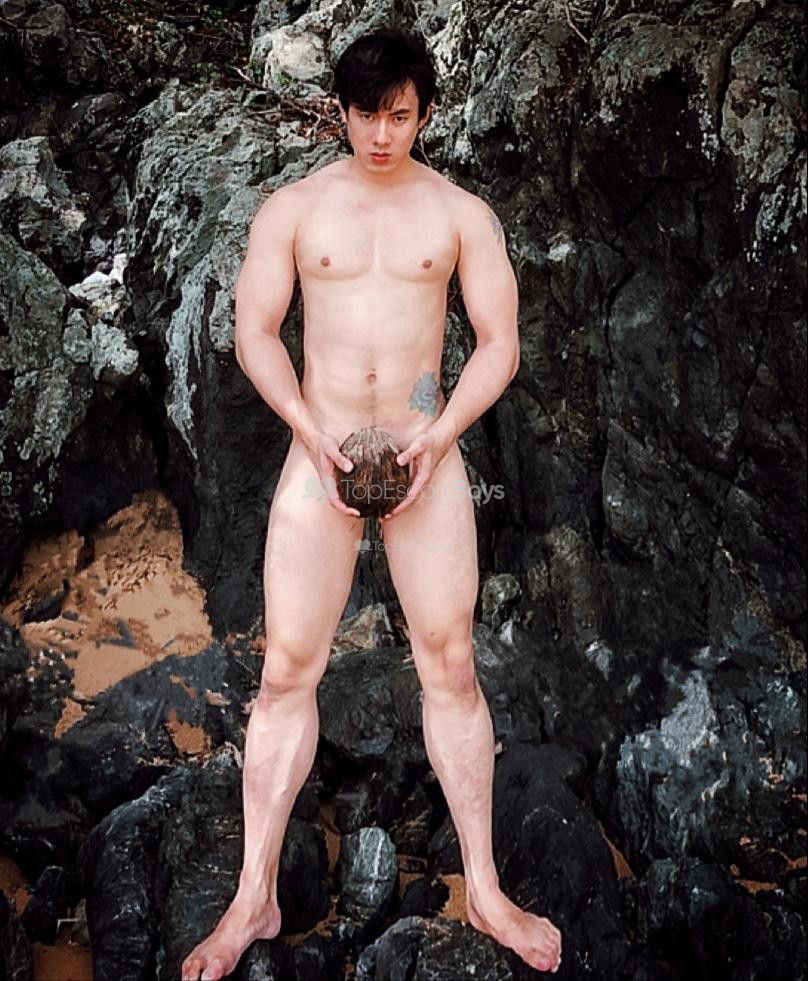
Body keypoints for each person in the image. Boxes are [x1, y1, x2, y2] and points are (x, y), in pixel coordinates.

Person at [181, 27, 562, 980]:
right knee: (285, 670)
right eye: (365, 115)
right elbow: (255, 331)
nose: (381, 135)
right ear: (340, 111)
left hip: (426, 457)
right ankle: (254, 895)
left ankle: (484, 887)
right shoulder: (295, 209)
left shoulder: (462, 215)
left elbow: (500, 344)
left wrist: (440, 436)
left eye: (399, 115)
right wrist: (308, 430)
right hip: (320, 457)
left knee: (451, 665)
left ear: (423, 113)